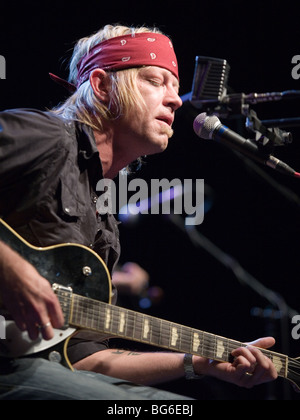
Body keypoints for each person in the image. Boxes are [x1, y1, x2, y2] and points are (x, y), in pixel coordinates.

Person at [0, 23, 278, 400]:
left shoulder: (104, 223)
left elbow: (84, 359)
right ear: (101, 86)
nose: (176, 100)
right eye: (155, 80)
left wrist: (197, 363)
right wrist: (12, 270)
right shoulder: (46, 137)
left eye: (175, 87)